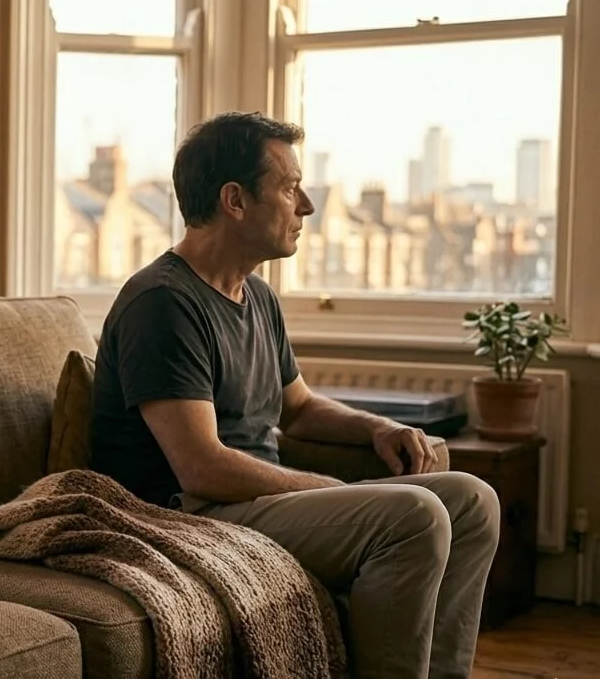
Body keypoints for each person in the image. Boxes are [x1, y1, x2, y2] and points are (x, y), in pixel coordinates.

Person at [88, 111, 500, 679]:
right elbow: (201, 468)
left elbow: (298, 408)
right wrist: (326, 486)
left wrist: (378, 428)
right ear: (235, 200)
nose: (306, 205)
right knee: (416, 514)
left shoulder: (256, 295)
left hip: (252, 502)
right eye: (288, 187)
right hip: (188, 515)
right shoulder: (162, 303)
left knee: (473, 502)